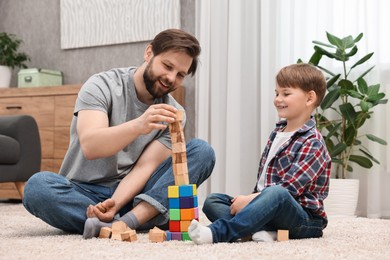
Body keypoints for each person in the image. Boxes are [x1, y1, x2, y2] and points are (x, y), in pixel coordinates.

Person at [23, 29, 216, 239]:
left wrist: (116, 204)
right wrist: (139, 125)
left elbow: (146, 167)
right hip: (84, 191)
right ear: (149, 53)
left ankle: (125, 222)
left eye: (180, 75)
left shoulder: (173, 112)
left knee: (202, 151)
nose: (171, 78)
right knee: (37, 188)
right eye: (167, 66)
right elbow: (91, 146)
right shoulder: (100, 86)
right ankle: (141, 218)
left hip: (135, 195)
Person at [188, 63, 331, 244]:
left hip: (304, 219)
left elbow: (289, 189)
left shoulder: (313, 142)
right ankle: (262, 229)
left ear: (309, 98)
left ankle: (219, 233)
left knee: (277, 193)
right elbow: (264, 181)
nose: (278, 99)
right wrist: (251, 201)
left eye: (286, 94)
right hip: (269, 207)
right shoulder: (277, 133)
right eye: (276, 93)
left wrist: (250, 200)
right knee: (213, 201)